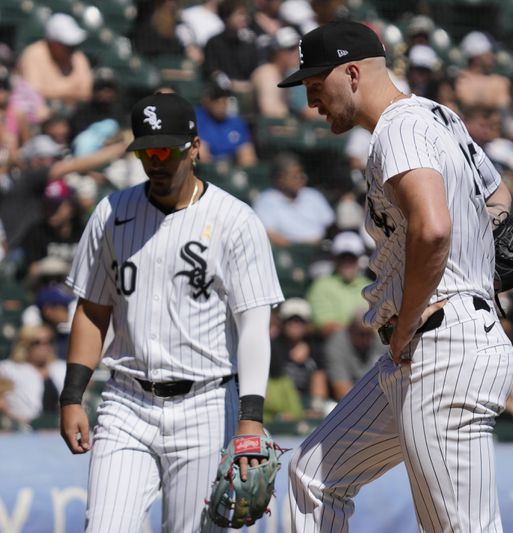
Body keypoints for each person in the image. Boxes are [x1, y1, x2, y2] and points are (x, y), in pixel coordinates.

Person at [278, 21, 513, 531]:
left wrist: (409, 318)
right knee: (314, 474)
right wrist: (478, 261)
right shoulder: (439, 116)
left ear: (353, 72)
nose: (312, 104)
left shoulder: (399, 126)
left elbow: (432, 230)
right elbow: (499, 198)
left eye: (317, 87)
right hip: (431, 340)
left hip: (439, 342)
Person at [58, 91, 284, 532]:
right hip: (126, 400)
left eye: (166, 149)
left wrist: (250, 421)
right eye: (146, 150)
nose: (156, 160)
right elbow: (92, 309)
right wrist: (72, 396)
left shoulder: (235, 221)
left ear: (194, 147)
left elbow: (255, 326)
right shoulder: (111, 213)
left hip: (206, 402)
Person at [251, 151, 335, 246]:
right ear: (280, 179)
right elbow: (268, 233)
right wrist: (299, 248)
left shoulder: (313, 195)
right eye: (295, 176)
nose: (300, 179)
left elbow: (330, 225)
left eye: (301, 175)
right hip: (288, 254)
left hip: (321, 249)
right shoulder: (266, 200)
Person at [15, 13, 92, 109]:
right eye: (66, 45)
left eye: (73, 46)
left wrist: (53, 94)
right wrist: (70, 95)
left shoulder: (79, 58)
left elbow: (86, 94)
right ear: (52, 43)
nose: (72, 50)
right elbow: (34, 95)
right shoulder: (33, 54)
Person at [305, 231, 371, 336]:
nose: (347, 262)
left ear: (359, 260)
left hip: (371, 342)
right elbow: (325, 326)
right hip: (339, 344)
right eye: (343, 257)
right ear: (335, 259)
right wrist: (360, 329)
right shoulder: (321, 286)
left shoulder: (371, 286)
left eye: (352, 258)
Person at [0, 325, 66, 426]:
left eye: (49, 341)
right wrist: (14, 418)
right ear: (25, 345)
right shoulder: (10, 369)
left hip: (57, 429)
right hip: (24, 431)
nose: (45, 346)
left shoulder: (61, 368)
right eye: (37, 342)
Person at [195, 75, 257, 166]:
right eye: (217, 97)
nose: (222, 102)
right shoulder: (197, 118)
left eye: (225, 97)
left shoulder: (236, 122)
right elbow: (201, 155)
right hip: (208, 173)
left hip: (233, 172)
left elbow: (248, 156)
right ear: (206, 99)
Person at [324, 308, 384, 401]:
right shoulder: (337, 343)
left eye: (369, 334)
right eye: (361, 334)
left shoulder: (379, 340)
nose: (365, 339)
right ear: (350, 329)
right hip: (347, 404)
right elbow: (341, 391)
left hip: (379, 399)